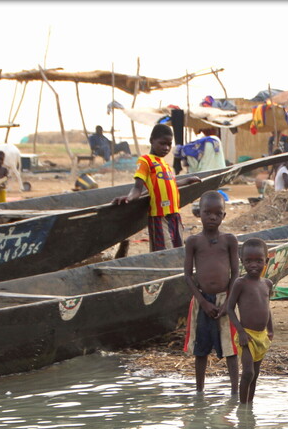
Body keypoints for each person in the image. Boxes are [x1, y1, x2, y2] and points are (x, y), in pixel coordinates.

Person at [183, 191, 240, 395]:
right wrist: (204, 302)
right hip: (202, 302)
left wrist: (229, 303)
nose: (212, 217)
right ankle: (199, 391)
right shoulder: (193, 242)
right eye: (208, 213)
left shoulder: (229, 241)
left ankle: (235, 392)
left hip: (226, 298)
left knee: (230, 348)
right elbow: (188, 276)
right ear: (199, 214)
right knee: (201, 349)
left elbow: (236, 273)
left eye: (218, 213)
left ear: (224, 216)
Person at [112, 124, 201, 251]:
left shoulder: (164, 164)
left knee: (178, 248)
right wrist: (129, 197)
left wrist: (187, 180)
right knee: (162, 251)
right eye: (162, 143)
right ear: (152, 140)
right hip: (159, 215)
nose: (166, 148)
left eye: (169, 144)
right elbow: (138, 188)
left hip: (174, 214)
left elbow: (170, 183)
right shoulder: (145, 161)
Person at [226, 238, 274, 404]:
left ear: (266, 261)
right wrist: (240, 331)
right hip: (246, 336)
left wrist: (271, 329)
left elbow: (267, 308)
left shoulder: (267, 284)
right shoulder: (241, 283)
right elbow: (229, 308)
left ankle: (249, 406)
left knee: (256, 372)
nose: (253, 265)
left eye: (258, 261)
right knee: (248, 373)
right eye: (249, 261)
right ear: (242, 262)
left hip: (262, 336)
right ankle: (242, 407)